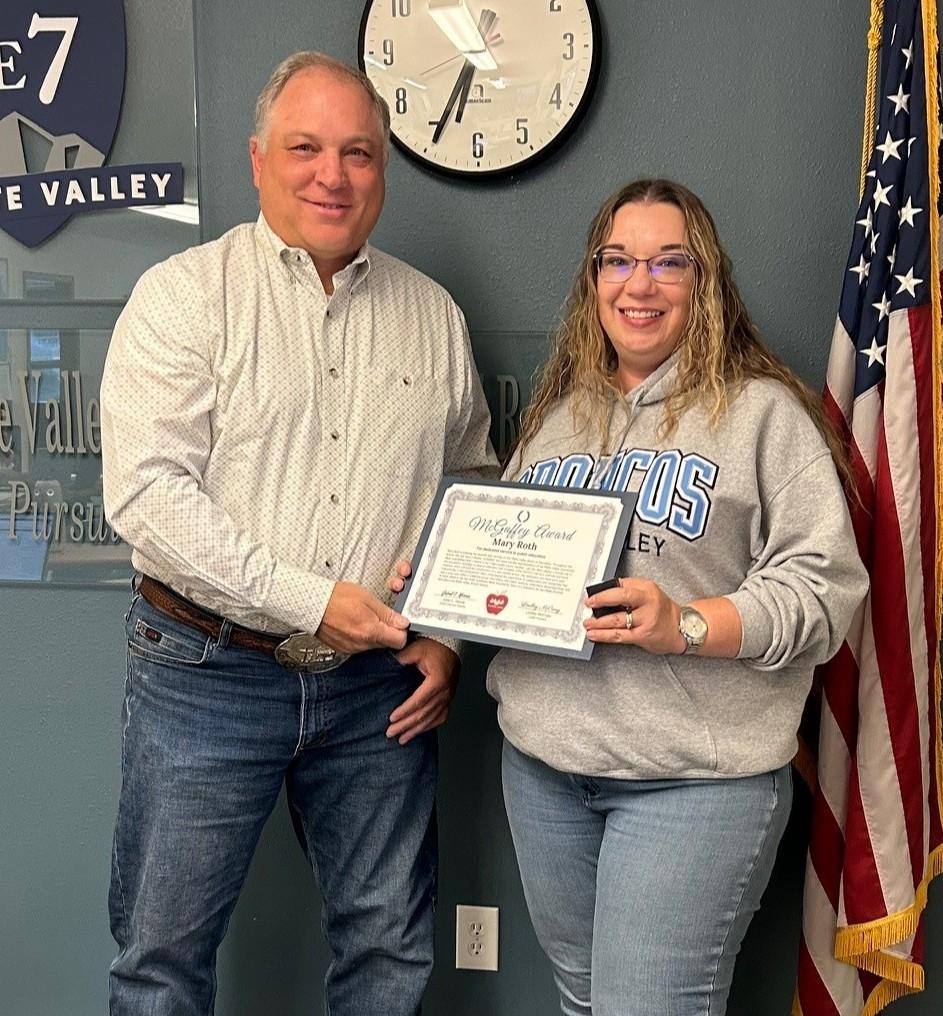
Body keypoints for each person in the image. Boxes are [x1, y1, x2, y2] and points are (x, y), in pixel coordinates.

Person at [392, 178, 868, 1015]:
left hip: (692, 781)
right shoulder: (559, 419)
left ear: (705, 281)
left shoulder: (761, 416)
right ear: (593, 278)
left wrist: (683, 623)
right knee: (582, 1002)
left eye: (667, 263)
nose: (637, 283)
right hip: (545, 770)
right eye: (617, 260)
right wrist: (442, 586)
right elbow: (507, 567)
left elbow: (824, 590)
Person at [100, 52, 496, 1016]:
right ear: (257, 160)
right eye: (305, 148)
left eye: (358, 152)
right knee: (161, 960)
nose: (333, 174)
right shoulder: (183, 296)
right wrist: (315, 600)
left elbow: (472, 484)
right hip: (206, 670)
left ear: (383, 172)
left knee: (389, 950)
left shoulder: (431, 317)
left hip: (378, 695)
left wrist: (443, 632)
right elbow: (149, 497)